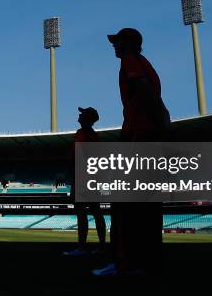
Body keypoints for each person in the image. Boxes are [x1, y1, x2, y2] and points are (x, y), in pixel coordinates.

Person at [93, 28, 168, 276]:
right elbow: (154, 98)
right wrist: (163, 125)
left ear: (129, 43)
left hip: (138, 134)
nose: (114, 46)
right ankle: (145, 263)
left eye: (118, 42)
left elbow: (144, 90)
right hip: (148, 135)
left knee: (124, 205)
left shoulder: (130, 60)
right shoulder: (146, 63)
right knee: (146, 206)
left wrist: (158, 124)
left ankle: (124, 263)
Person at [63, 107, 107, 256]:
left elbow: (75, 157)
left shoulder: (83, 135)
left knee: (82, 213)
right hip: (92, 179)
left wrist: (68, 174)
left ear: (87, 118)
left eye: (82, 113)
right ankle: (101, 247)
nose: (79, 115)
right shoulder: (93, 136)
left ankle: (82, 247)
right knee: (96, 212)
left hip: (84, 178)